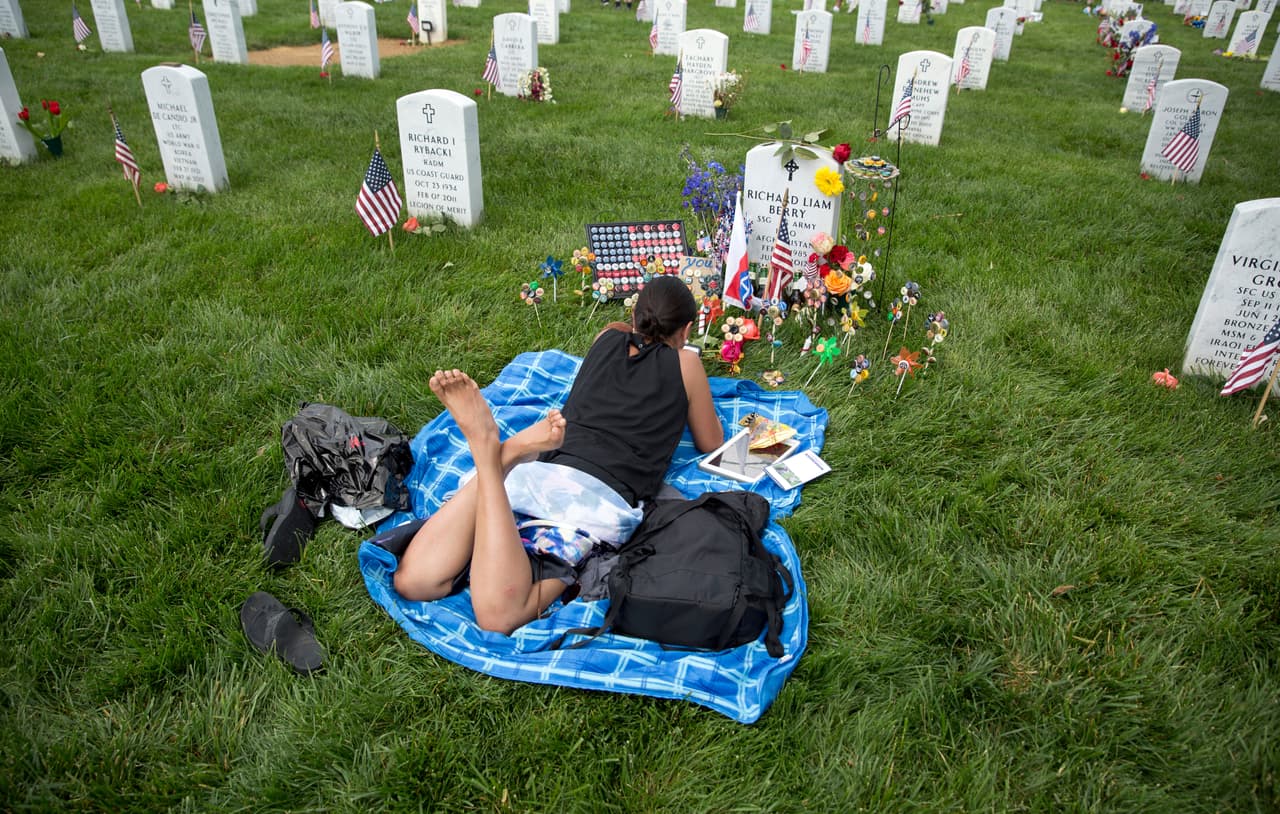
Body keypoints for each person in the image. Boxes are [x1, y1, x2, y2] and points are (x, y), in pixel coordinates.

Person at [392, 276, 724, 634]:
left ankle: (500, 457)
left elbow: (619, 336)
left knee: (414, 582)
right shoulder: (686, 364)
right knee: (500, 616)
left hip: (541, 470)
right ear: (686, 330)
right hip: (594, 502)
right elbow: (710, 441)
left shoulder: (606, 337)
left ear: (635, 315)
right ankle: (498, 455)